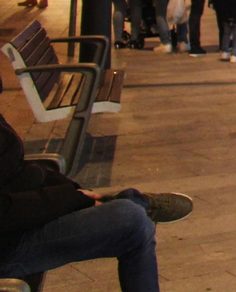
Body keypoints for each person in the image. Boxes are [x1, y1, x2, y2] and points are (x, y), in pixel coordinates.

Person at [0, 111, 192, 292]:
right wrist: (72, 198)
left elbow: (16, 167)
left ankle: (129, 201)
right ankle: (134, 202)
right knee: (132, 221)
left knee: (130, 220)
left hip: (19, 221)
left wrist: (75, 192)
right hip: (9, 246)